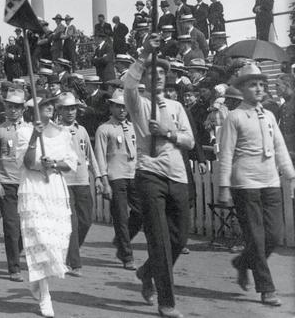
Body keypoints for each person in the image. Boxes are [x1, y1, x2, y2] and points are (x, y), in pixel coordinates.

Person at [123, 36, 195, 318]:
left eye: (163, 73)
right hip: (149, 174)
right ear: (146, 79)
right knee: (160, 241)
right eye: (153, 74)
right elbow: (128, 84)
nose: (159, 78)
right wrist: (143, 55)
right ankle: (167, 302)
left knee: (179, 239)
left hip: (177, 175)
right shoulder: (138, 103)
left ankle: (146, 270)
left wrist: (167, 133)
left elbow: (189, 141)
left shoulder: (176, 107)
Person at [217, 64, 295, 308]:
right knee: (256, 237)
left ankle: (243, 262)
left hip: (270, 181)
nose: (259, 88)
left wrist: (291, 177)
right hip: (245, 183)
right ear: (241, 89)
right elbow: (227, 154)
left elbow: (281, 147)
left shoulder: (270, 115)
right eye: (253, 84)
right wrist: (224, 186)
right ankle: (266, 288)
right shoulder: (235, 116)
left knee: (273, 234)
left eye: (262, 84)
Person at [18, 95, 76, 318]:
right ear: (35, 109)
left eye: (52, 104)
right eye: (45, 105)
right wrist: (35, 135)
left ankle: (38, 281)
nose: (50, 108)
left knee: (59, 241)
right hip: (34, 188)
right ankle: (45, 295)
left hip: (54, 187)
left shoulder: (63, 132)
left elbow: (70, 163)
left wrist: (53, 163)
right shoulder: (23, 131)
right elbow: (27, 162)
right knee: (40, 242)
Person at [56, 92, 106, 276]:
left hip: (83, 180)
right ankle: (75, 263)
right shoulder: (54, 130)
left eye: (73, 108)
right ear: (59, 110)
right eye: (66, 109)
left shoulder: (82, 130)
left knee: (86, 220)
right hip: (63, 182)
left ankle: (70, 251)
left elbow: (90, 155)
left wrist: (99, 177)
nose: (70, 112)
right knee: (72, 222)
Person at [93, 90, 142, 270]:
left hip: (134, 174)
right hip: (115, 176)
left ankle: (121, 241)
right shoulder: (104, 129)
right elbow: (99, 156)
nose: (122, 110)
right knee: (121, 217)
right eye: (118, 106)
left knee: (141, 212)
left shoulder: (134, 127)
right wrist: (104, 180)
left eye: (125, 107)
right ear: (111, 107)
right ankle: (127, 256)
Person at [0, 89, 30, 282]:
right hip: (7, 184)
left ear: (23, 109)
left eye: (17, 107)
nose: (13, 110)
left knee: (27, 226)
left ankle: (20, 253)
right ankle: (14, 267)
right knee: (11, 225)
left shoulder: (30, 130)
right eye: (10, 106)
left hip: (28, 184)